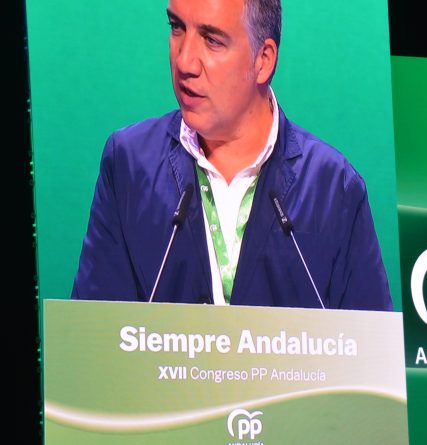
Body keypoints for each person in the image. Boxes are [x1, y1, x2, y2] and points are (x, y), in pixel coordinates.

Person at [71, 0, 392, 311]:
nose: (185, 63)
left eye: (212, 40)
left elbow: (367, 344)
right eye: (177, 27)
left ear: (263, 60)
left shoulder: (334, 188)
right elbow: (94, 336)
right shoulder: (129, 165)